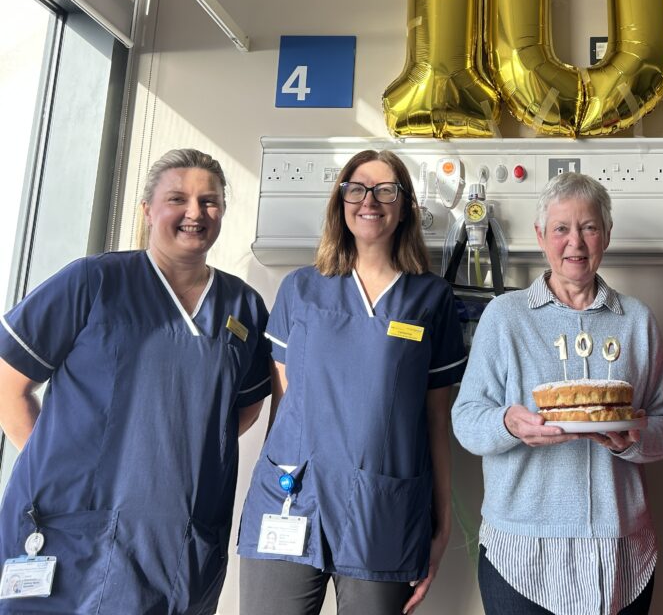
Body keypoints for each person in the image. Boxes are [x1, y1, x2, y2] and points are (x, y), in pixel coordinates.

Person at [0, 148, 272, 614]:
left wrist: (177, 452)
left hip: (182, 537)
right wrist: (59, 470)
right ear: (147, 210)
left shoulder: (242, 306)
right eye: (177, 199)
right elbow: (9, 384)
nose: (194, 212)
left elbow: (242, 408)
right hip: (73, 531)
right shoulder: (94, 281)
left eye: (209, 201)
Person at [236, 149, 465, 615]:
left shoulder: (431, 298)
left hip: (384, 507)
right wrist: (274, 480)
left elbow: (436, 420)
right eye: (357, 189)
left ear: (405, 207)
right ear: (340, 201)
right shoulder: (300, 288)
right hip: (291, 496)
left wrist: (441, 526)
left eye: (386, 190)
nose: (370, 201)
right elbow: (283, 405)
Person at [451, 171, 663, 615]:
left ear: (606, 235)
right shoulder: (505, 317)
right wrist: (507, 424)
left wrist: (633, 440)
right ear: (541, 235)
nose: (575, 242)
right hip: (521, 551)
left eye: (589, 227)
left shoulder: (636, 320)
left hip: (621, 550)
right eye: (561, 228)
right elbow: (465, 420)